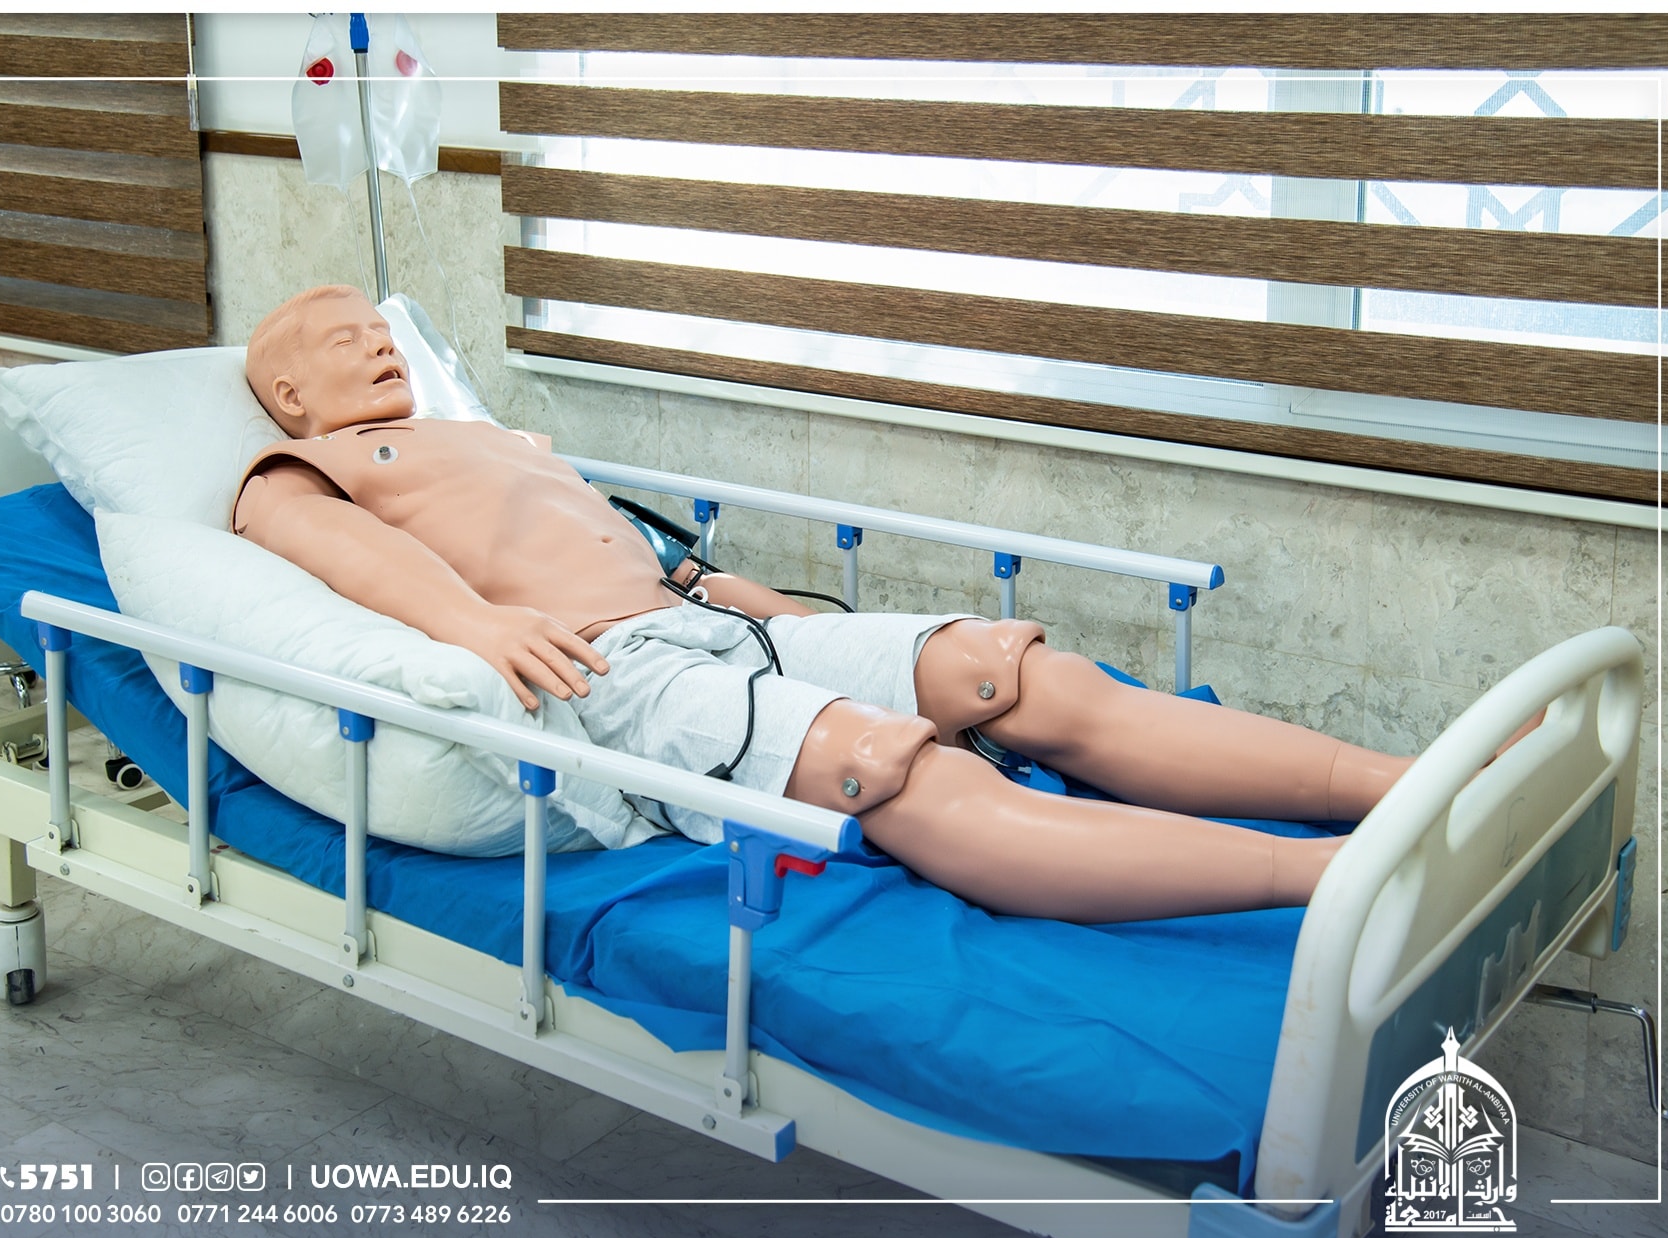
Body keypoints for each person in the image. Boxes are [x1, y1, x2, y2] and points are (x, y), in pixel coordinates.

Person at [235, 284, 1418, 924]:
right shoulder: (297, 472)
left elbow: (626, 550)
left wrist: (751, 603)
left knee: (1015, 674)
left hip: (721, 622)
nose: (381, 346)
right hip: (615, 669)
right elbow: (342, 551)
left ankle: (1400, 785)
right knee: (896, 769)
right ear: (288, 392)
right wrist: (479, 626)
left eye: (384, 330)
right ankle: (1319, 878)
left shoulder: (479, 437)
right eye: (347, 339)